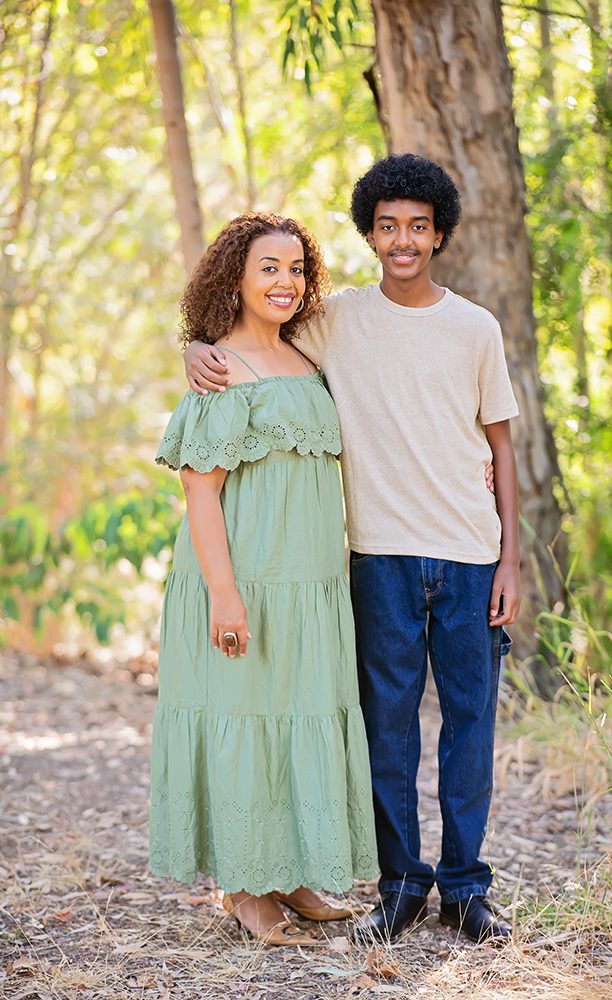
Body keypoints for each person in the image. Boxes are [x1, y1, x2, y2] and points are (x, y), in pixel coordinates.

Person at [184, 154, 521, 944]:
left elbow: (504, 449)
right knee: (388, 731)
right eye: (386, 226)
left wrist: (511, 559)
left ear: (439, 233)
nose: (402, 240)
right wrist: (191, 350)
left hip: (471, 558)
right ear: (369, 234)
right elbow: (248, 336)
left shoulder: (476, 327)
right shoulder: (333, 320)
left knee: (469, 728)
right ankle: (402, 883)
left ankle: (466, 889)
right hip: (378, 558)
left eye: (417, 227)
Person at [150, 212, 378, 947]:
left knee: (294, 715)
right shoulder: (222, 369)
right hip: (242, 579)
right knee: (246, 717)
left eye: (296, 268)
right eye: (268, 268)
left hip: (308, 584)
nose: (285, 282)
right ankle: (245, 893)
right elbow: (200, 491)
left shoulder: (308, 362)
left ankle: (286, 875)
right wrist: (224, 594)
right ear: (235, 279)